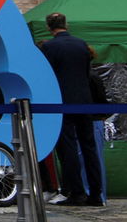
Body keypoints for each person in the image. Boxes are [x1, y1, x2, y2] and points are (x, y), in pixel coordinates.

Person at [40, 11, 103, 206]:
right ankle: (95, 193)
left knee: (68, 149)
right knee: (89, 148)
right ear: (66, 24)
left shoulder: (50, 47)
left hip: (62, 102)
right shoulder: (82, 45)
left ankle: (76, 192)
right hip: (84, 101)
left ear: (49, 27)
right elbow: (87, 74)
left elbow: (47, 76)